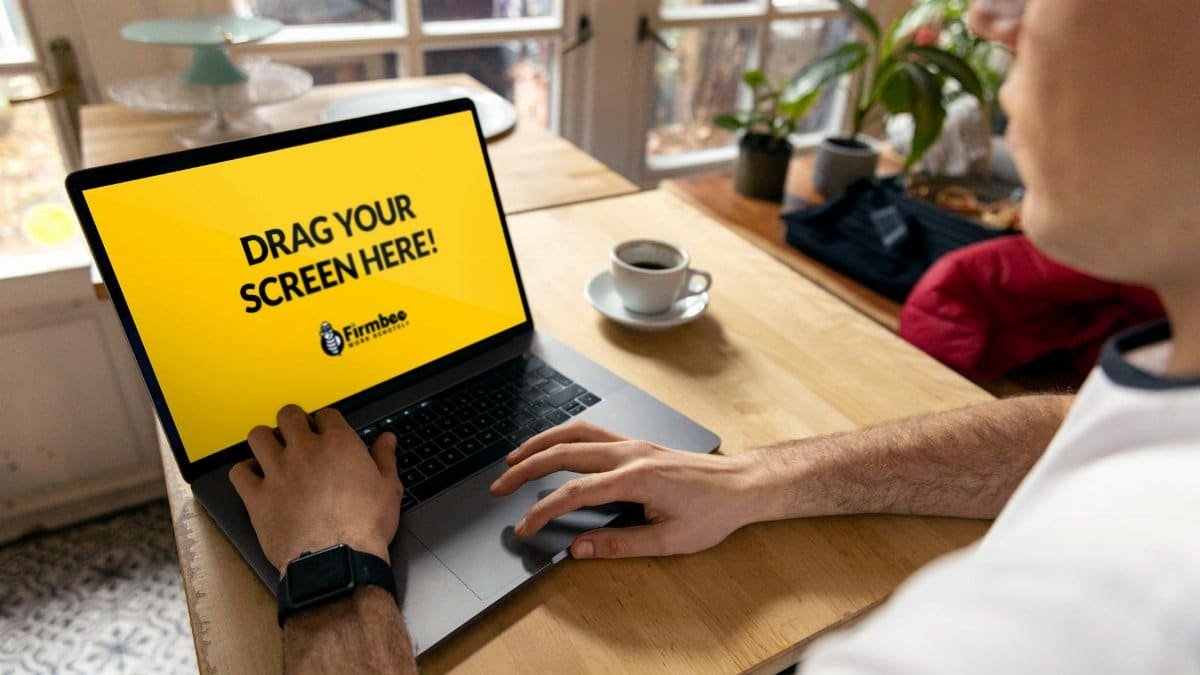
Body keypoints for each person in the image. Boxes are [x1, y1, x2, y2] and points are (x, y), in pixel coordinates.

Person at [228, 0, 1200, 672]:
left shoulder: (1080, 625)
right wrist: (761, 478)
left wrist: (332, 564)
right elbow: (1077, 434)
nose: (990, 16)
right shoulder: (1173, 389)